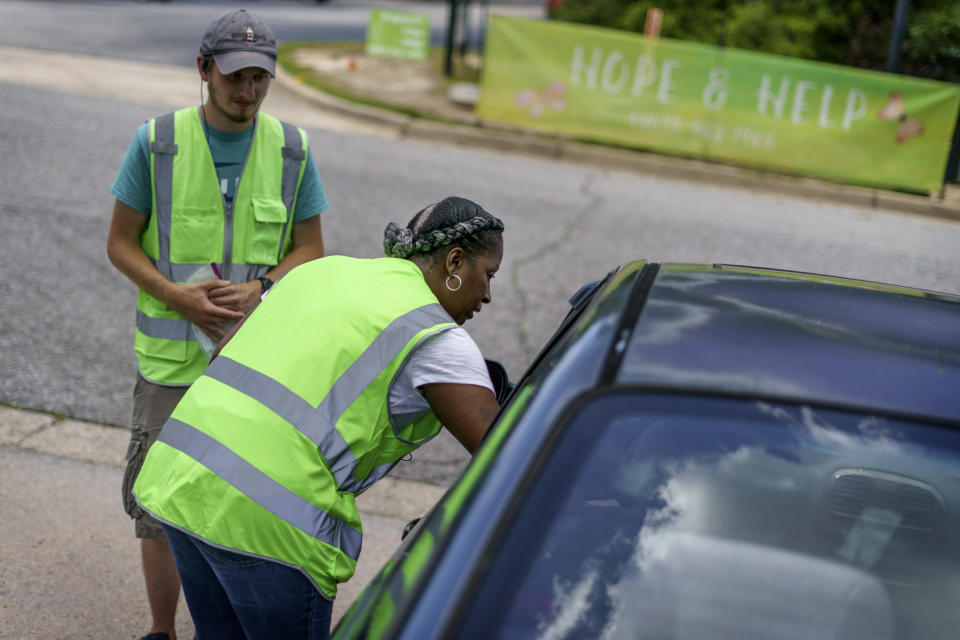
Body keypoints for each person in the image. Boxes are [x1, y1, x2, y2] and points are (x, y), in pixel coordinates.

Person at [131, 196, 504, 639]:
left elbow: (224, 353)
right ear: (455, 261)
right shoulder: (437, 336)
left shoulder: (321, 271)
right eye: (488, 275)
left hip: (182, 478)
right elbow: (508, 455)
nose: (487, 296)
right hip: (266, 524)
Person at [106, 9, 328, 640]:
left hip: (254, 366)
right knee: (158, 506)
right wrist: (178, 297)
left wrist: (262, 288)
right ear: (204, 70)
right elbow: (120, 244)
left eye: (261, 77)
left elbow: (311, 250)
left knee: (237, 505)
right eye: (235, 76)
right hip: (171, 368)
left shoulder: (292, 149)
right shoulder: (156, 142)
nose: (248, 90)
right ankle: (161, 630)